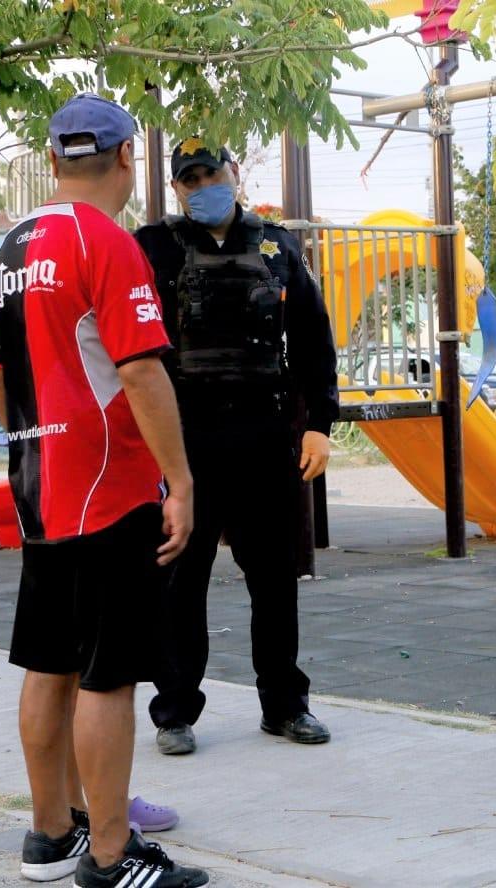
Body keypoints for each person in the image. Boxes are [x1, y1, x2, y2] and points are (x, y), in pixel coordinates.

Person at [0, 93, 208, 887]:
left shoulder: (8, 251)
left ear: (52, 161)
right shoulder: (107, 243)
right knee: (107, 674)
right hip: (108, 489)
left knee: (48, 663)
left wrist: (30, 449)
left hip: (39, 487)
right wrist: (178, 480)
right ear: (124, 160)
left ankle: (50, 836)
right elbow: (142, 369)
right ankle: (112, 856)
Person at [134, 138, 338, 753]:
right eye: (189, 179)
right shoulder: (153, 248)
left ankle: (284, 706)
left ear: (234, 174)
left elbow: (312, 342)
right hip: (186, 437)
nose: (202, 187)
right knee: (180, 577)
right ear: (175, 190)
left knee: (274, 578)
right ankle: (174, 711)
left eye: (211, 173)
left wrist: (319, 425)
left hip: (266, 432)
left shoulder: (278, 246)